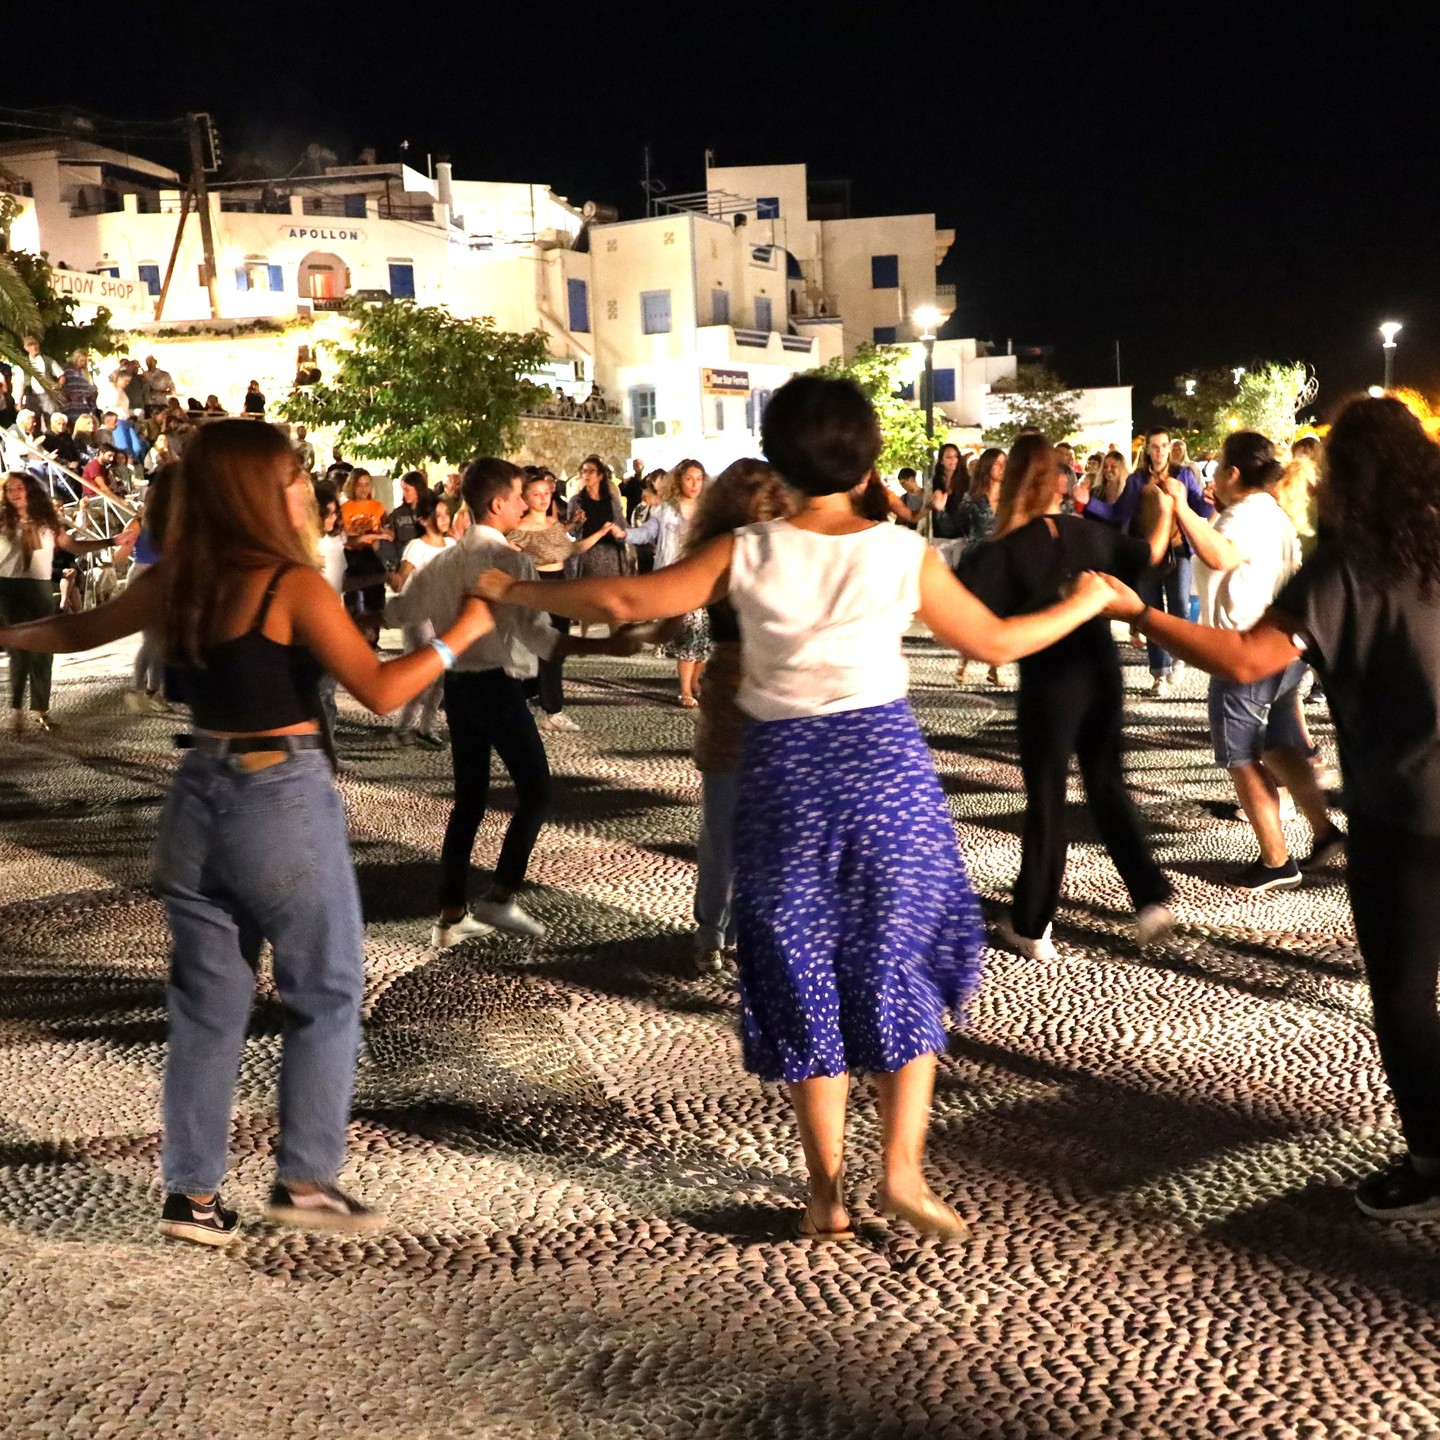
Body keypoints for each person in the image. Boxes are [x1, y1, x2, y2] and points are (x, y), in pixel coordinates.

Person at [476, 375, 1116, 1241]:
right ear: (870, 459)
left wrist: (513, 591)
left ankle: (826, 1194)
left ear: (776, 460)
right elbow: (994, 641)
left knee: (802, 965)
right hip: (885, 769)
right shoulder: (898, 550)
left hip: (784, 774)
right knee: (905, 958)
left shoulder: (750, 550)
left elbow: (627, 599)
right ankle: (902, 1171)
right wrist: (1085, 601)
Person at [0, 420, 496, 1244]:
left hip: (197, 797)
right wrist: (460, 637)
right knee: (327, 992)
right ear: (258, 491)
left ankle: (190, 1195)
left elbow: (76, 631)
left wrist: (7, 635)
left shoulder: (177, 579)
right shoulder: (290, 584)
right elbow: (379, 688)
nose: (306, 485)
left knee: (205, 1005)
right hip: (280, 794)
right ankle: (304, 1180)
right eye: (294, 474)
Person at [1095, 396, 1440, 1220]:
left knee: (1404, 991)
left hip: (1407, 812)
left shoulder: (1348, 564)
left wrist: (1142, 613)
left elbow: (1249, 658)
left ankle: (1432, 1160)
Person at [383, 458, 642, 949]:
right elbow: (539, 636)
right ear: (497, 503)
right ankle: (499, 895)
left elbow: (399, 611)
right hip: (495, 686)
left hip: (458, 687)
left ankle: (450, 912)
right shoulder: (511, 562)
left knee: (470, 801)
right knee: (537, 791)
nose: (525, 503)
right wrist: (603, 646)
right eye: (520, 495)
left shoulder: (444, 561)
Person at [961, 439, 1177, 960]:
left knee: (1047, 799)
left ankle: (1033, 923)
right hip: (1099, 672)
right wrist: (1167, 513)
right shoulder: (1083, 531)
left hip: (1048, 681)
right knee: (1107, 784)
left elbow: (967, 615)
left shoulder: (1005, 550)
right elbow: (1147, 555)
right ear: (1058, 482)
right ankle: (1150, 898)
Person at [1159, 430, 1341, 891]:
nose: (1214, 475)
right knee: (1280, 745)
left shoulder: (1240, 516)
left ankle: (1276, 860)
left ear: (1233, 473)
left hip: (1242, 651)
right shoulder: (1271, 513)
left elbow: (1220, 555)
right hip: (1282, 648)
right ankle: (1323, 834)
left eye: (1219, 467)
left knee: (1241, 757)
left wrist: (1180, 505)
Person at [684, 458, 800, 976]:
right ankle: (720, 931)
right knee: (741, 823)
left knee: (731, 825)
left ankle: (721, 931)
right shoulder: (751, 552)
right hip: (749, 689)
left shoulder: (724, 550)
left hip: (749, 689)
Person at [1085, 427, 1214, 697]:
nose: (1158, 452)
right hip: (1149, 551)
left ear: (1170, 448)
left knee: (1179, 606)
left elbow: (1198, 508)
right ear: (1148, 450)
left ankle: (1178, 656)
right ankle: (1159, 673)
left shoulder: (1183, 475)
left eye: (1163, 446)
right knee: (1150, 612)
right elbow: (1118, 512)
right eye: (1154, 447)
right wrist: (1088, 504)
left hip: (1178, 549)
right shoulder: (1137, 480)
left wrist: (1211, 500)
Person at [506, 469, 624, 730]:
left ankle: (538, 700)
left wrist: (600, 534)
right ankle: (550, 707)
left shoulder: (554, 524)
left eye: (547, 493)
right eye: (536, 494)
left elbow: (572, 550)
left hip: (560, 586)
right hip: (537, 588)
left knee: (556, 650)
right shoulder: (520, 528)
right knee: (543, 650)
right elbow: (507, 555)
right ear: (525, 498)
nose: (543, 498)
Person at [0, 472, 112, 735]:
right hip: (8, 587)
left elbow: (72, 545)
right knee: (21, 648)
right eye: (9, 489)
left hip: (39, 586)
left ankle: (41, 711)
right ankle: (17, 710)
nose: (16, 493)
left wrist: (109, 541)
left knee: (44, 650)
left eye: (20, 488)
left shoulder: (46, 521)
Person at [624, 458, 712, 706]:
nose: (694, 484)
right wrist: (624, 534)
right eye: (689, 478)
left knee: (707, 638)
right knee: (691, 634)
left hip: (706, 577)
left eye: (699, 479)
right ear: (679, 481)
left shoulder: (710, 510)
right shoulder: (666, 511)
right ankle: (685, 689)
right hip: (679, 578)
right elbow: (646, 533)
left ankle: (695, 681)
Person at [385, 491, 455, 749]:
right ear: (424, 520)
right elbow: (402, 577)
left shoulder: (451, 545)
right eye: (438, 515)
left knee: (441, 676)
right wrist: (395, 579)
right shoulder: (417, 546)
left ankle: (426, 728)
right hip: (419, 616)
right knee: (425, 674)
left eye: (446, 514)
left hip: (442, 615)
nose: (444, 519)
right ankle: (403, 728)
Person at [949, 447, 1006, 688]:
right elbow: (954, 524)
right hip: (977, 562)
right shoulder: (972, 499)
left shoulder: (1009, 498)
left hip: (1002, 561)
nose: (1002, 468)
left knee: (998, 614)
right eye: (997, 464)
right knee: (976, 616)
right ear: (986, 467)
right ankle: (964, 663)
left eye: (1004, 463)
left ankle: (994, 667)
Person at [339, 469, 390, 638]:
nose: (363, 489)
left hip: (371, 556)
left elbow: (388, 531)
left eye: (367, 484)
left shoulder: (378, 507)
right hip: (351, 556)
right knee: (353, 597)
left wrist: (381, 537)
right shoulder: (344, 509)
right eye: (359, 484)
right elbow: (343, 536)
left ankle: (373, 635)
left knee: (375, 597)